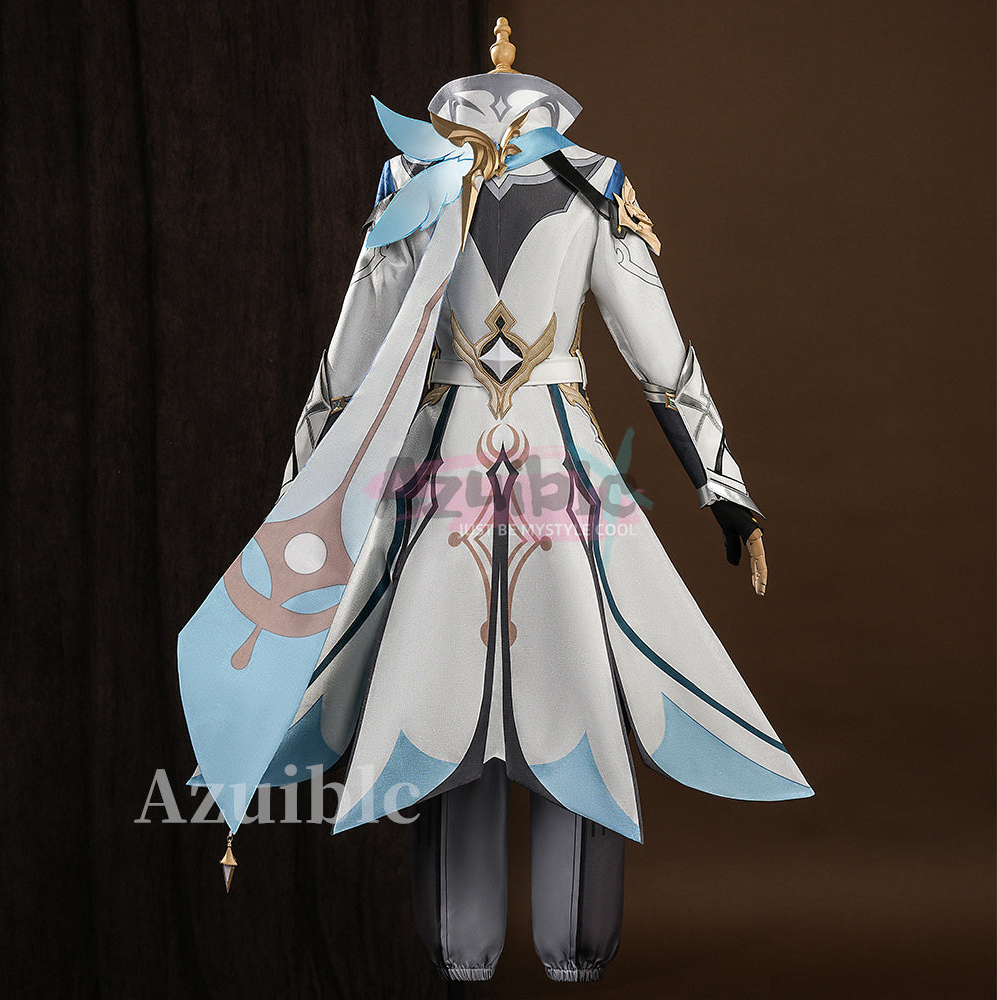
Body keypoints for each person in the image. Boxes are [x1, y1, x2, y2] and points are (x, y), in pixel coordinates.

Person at [179, 16, 812, 985]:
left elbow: (660, 356)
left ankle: (568, 947)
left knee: (575, 691)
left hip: (549, 472)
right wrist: (297, 502)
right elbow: (349, 362)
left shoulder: (586, 185)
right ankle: (467, 947)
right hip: (446, 478)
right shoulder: (420, 181)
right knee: (439, 699)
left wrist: (726, 492)